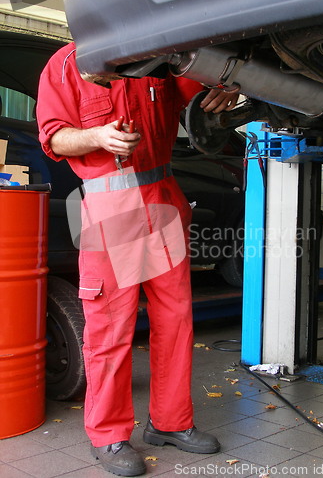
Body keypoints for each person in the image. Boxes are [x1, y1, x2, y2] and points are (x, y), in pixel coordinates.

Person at [37, 42, 239, 477]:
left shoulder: (161, 53)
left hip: (164, 198)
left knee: (176, 319)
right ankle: (108, 436)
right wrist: (97, 136)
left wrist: (226, 94)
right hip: (113, 207)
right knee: (111, 324)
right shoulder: (68, 63)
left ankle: (171, 423)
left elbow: (205, 90)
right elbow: (54, 135)